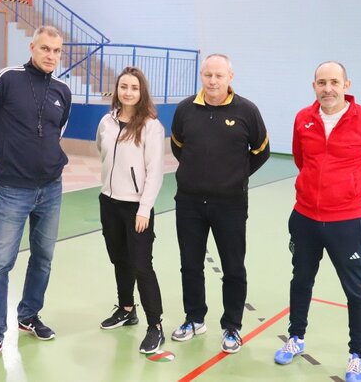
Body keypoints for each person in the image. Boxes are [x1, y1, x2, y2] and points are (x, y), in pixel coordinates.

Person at [274, 61, 361, 382]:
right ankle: (296, 337)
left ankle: (357, 355)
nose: (328, 89)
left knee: (355, 291)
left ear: (346, 85)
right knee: (301, 281)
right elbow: (301, 160)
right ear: (314, 86)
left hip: (347, 224)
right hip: (304, 218)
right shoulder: (303, 118)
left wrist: (353, 202)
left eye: (334, 82)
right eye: (322, 82)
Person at [0, 26, 72, 366]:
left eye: (56, 51)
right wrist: (0, 165)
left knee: (43, 257)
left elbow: (58, 131)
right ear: (32, 47)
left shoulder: (63, 90)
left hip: (52, 189)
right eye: (45, 48)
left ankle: (29, 315)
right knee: (0, 263)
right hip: (13, 189)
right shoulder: (6, 78)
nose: (51, 56)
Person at [170, 53, 270, 354]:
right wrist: (196, 175)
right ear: (201, 75)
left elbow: (261, 151)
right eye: (208, 75)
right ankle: (194, 318)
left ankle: (232, 326)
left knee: (233, 267)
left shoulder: (247, 110)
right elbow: (178, 147)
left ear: (230, 77)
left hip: (230, 205)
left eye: (219, 76)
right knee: (190, 264)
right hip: (189, 203)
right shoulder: (185, 109)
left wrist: (234, 176)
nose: (212, 81)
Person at [96, 67, 166, 354]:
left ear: (141, 92)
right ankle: (127, 309)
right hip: (108, 202)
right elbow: (101, 151)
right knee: (119, 260)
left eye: (134, 88)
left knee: (141, 265)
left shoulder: (151, 127)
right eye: (123, 86)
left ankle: (155, 326)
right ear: (117, 90)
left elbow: (155, 171)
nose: (128, 92)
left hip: (136, 207)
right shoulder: (106, 122)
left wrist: (144, 208)